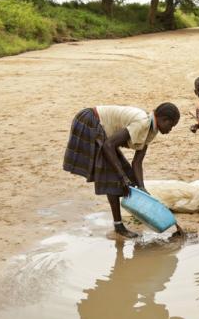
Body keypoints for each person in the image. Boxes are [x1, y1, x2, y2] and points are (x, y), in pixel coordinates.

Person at [63, 102, 180, 238]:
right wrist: (121, 177)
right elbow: (108, 146)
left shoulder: (151, 130)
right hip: (90, 121)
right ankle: (118, 226)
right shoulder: (143, 123)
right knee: (114, 178)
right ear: (163, 119)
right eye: (171, 126)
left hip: (104, 134)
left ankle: (121, 222)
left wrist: (142, 188)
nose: (170, 130)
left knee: (128, 176)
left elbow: (137, 162)